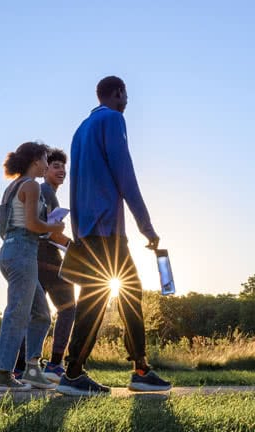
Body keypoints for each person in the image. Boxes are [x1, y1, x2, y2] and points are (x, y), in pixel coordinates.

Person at [57, 76, 172, 396]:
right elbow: (125, 175)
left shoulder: (80, 130)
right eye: (125, 95)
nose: (127, 101)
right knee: (126, 293)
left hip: (87, 228)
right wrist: (146, 226)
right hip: (108, 226)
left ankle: (79, 372)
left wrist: (79, 232)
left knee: (97, 298)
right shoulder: (113, 119)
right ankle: (135, 370)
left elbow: (76, 183)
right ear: (117, 92)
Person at [0, 142, 67, 392]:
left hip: (11, 251)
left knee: (41, 315)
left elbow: (9, 227)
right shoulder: (32, 185)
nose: (48, 165)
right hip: (23, 254)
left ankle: (32, 370)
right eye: (46, 160)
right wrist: (54, 227)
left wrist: (43, 230)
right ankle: (3, 375)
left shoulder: (11, 188)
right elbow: (34, 225)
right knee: (17, 313)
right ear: (36, 160)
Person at [13, 148, 76, 383]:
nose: (61, 170)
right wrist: (74, 246)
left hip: (40, 259)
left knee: (35, 314)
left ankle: (20, 368)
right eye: (55, 166)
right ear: (45, 170)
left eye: (63, 166)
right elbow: (48, 232)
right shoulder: (45, 192)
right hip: (47, 260)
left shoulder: (47, 193)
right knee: (68, 308)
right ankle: (55, 364)